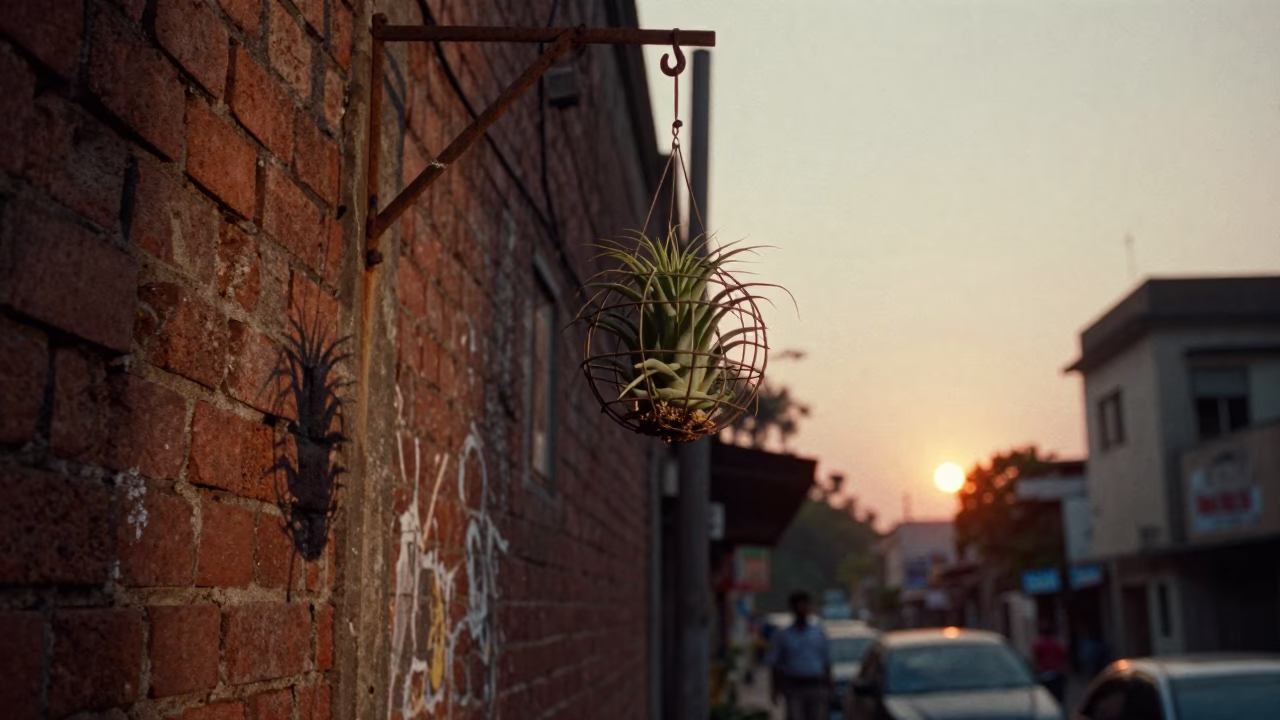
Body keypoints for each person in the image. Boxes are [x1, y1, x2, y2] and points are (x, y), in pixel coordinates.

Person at [766, 591, 832, 720]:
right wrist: (774, 689)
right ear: (793, 608)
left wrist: (829, 686)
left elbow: (826, 661)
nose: (803, 609)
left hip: (816, 685)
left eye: (806, 605)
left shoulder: (818, 632)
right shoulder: (783, 635)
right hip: (794, 685)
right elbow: (775, 664)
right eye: (800, 605)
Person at [1032, 622, 1067, 703]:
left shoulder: (1039, 643)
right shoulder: (1056, 643)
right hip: (1056, 672)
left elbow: (1036, 658)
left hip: (1045, 672)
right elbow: (1062, 656)